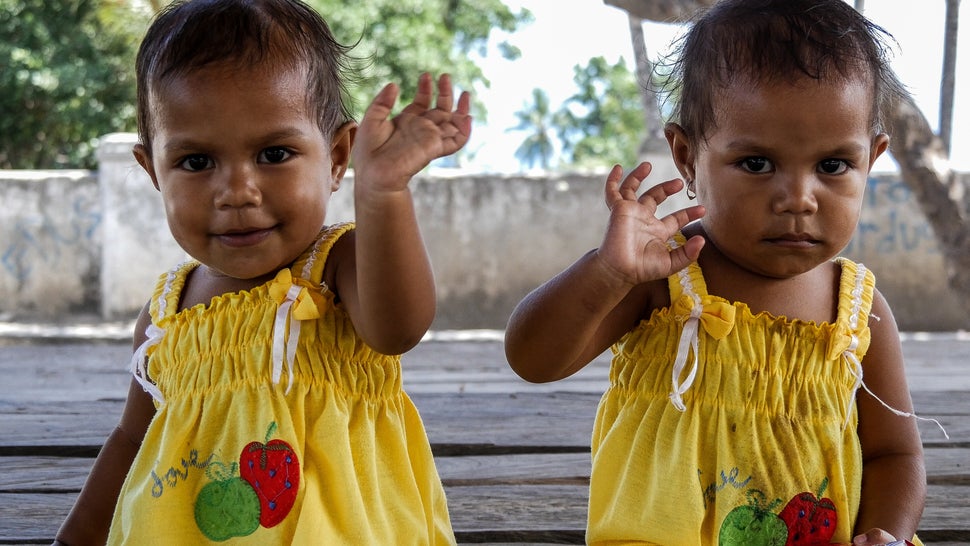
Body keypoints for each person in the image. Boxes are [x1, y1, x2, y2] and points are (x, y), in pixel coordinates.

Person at [505, 1, 940, 544]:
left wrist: (888, 534)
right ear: (687, 157)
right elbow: (533, 360)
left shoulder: (859, 311)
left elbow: (894, 453)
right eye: (757, 164)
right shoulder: (664, 277)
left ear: (871, 160)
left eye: (833, 165)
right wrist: (605, 273)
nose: (798, 199)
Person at [53, 0, 470, 544]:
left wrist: (383, 191)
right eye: (197, 162)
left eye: (274, 153)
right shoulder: (165, 314)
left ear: (338, 156)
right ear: (152, 169)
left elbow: (399, 327)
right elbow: (133, 439)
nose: (237, 192)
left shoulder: (338, 267)